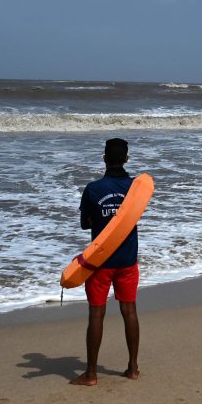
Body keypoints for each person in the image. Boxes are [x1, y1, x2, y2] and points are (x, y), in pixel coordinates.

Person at [70, 138, 141, 386]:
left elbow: (85, 224)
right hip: (128, 260)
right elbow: (132, 216)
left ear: (104, 159)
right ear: (127, 159)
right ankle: (133, 368)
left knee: (96, 315)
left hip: (100, 262)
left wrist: (101, 220)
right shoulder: (135, 189)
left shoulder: (93, 189)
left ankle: (91, 374)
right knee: (129, 311)